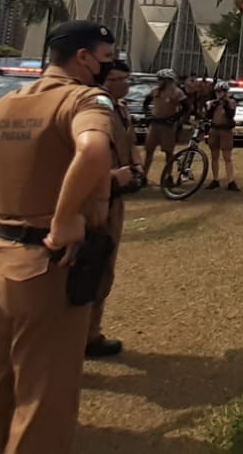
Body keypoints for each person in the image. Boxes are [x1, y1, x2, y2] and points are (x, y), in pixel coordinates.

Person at [0, 20, 117, 454]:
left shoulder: (9, 102)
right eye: (105, 59)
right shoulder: (85, 99)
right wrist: (63, 218)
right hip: (47, 267)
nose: (108, 69)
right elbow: (93, 149)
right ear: (83, 58)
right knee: (43, 396)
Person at [88, 59, 145, 357]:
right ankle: (71, 336)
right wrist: (108, 176)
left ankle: (90, 334)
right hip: (90, 199)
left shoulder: (120, 109)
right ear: (107, 80)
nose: (127, 84)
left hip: (113, 199)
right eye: (122, 79)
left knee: (103, 268)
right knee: (85, 268)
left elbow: (130, 143)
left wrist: (136, 165)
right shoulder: (91, 109)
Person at [143, 69, 187, 184]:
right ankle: (143, 176)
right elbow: (145, 103)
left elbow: (187, 107)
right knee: (149, 151)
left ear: (168, 81)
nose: (158, 82)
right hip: (155, 124)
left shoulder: (177, 93)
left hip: (168, 126)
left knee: (168, 152)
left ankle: (168, 176)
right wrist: (148, 115)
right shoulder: (155, 91)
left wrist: (175, 118)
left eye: (161, 80)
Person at [204, 81, 239, 190]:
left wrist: (224, 104)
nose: (219, 94)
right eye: (217, 91)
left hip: (226, 131)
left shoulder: (231, 102)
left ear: (225, 92)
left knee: (227, 157)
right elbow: (208, 116)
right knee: (214, 156)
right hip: (214, 129)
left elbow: (231, 115)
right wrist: (212, 107)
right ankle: (215, 180)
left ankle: (231, 181)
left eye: (221, 91)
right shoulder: (213, 103)